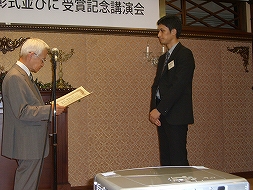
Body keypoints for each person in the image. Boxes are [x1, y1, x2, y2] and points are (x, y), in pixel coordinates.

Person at [1, 38, 66, 190]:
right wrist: (51, 109)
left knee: (29, 184)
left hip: (29, 141)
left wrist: (50, 108)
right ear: (31, 55)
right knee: (26, 185)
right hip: (27, 142)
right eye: (42, 60)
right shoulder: (16, 77)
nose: (43, 64)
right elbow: (23, 111)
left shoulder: (22, 76)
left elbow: (28, 107)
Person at [149, 15, 195, 166]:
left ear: (174, 31)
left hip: (176, 115)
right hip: (162, 116)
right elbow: (156, 86)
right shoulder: (164, 58)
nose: (159, 35)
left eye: (162, 31)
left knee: (178, 159)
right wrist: (154, 110)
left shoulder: (184, 54)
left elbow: (178, 86)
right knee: (166, 159)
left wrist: (160, 109)